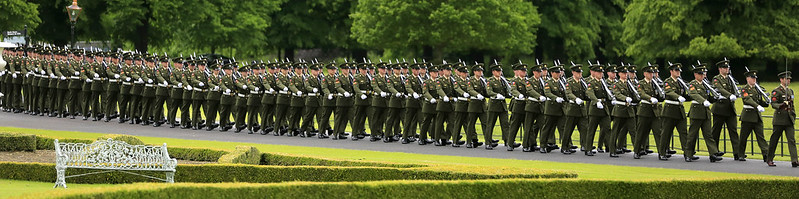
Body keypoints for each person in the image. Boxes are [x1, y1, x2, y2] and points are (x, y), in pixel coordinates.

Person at [686, 64, 722, 162]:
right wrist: (703, 101)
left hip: (705, 112)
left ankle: (713, 154)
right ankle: (688, 154)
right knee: (693, 134)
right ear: (695, 74)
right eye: (700, 74)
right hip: (697, 111)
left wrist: (715, 98)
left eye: (703, 74)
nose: (702, 76)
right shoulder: (693, 84)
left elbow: (708, 97)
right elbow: (693, 94)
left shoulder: (705, 84)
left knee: (708, 134)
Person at [766, 71, 798, 167]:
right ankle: (769, 158)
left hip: (789, 119)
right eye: (786, 79)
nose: (788, 81)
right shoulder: (777, 91)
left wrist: (793, 114)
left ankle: (794, 160)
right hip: (779, 119)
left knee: (791, 140)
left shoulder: (790, 91)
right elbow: (773, 104)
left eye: (789, 79)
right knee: (774, 140)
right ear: (781, 79)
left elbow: (792, 104)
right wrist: (781, 105)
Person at [710, 59, 740, 159]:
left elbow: (735, 88)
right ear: (720, 69)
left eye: (727, 68)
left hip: (730, 108)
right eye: (724, 68)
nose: (727, 69)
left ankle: (737, 153)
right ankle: (714, 152)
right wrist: (729, 95)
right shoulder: (716, 79)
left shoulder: (730, 79)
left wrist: (736, 94)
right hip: (720, 107)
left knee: (733, 131)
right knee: (716, 131)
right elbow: (720, 89)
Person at [738, 70, 769, 162]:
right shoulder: (744, 89)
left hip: (757, 116)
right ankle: (741, 154)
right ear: (747, 78)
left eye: (755, 78)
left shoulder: (757, 89)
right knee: (743, 137)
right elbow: (747, 99)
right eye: (752, 78)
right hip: (748, 115)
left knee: (761, 137)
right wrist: (757, 106)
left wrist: (766, 103)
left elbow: (759, 100)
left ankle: (766, 154)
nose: (754, 79)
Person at [633, 65, 663, 159]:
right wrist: (650, 98)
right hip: (645, 110)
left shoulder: (654, 83)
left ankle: (661, 153)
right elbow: (641, 93)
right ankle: (637, 151)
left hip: (654, 110)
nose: (651, 75)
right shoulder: (641, 83)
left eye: (652, 73)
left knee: (658, 132)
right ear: (645, 73)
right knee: (641, 132)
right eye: (649, 73)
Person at [659, 63, 687, 160]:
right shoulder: (668, 82)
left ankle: (687, 153)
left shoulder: (680, 82)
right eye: (676, 70)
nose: (678, 72)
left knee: (683, 132)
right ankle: (662, 152)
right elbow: (669, 92)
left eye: (679, 71)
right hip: (670, 110)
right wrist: (678, 97)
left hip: (680, 110)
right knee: (666, 133)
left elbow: (685, 94)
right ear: (671, 71)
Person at [609, 65, 638, 158]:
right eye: (623, 73)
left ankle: (637, 151)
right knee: (615, 131)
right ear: (619, 74)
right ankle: (612, 150)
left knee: (633, 131)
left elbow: (634, 94)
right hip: (620, 110)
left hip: (629, 110)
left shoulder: (630, 84)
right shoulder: (616, 84)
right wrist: (625, 98)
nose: (625, 75)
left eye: (626, 73)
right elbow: (617, 94)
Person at [584, 64, 611, 156]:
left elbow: (608, 93)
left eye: (601, 72)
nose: (600, 74)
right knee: (591, 130)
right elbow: (589, 93)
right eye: (599, 72)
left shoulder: (604, 83)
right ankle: (588, 149)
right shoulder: (591, 83)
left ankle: (612, 149)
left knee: (608, 129)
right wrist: (596, 101)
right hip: (595, 109)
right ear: (594, 73)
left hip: (604, 108)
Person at [562, 64, 587, 154]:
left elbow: (586, 93)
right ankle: (565, 147)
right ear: (573, 72)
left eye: (580, 72)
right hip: (572, 109)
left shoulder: (582, 82)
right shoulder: (570, 82)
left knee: (584, 129)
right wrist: (576, 99)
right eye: (578, 72)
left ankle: (586, 147)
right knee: (568, 130)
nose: (579, 74)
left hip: (581, 110)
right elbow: (568, 93)